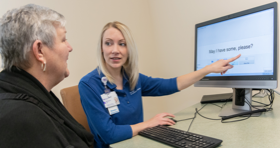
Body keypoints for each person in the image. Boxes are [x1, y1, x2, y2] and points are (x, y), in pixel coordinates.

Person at [78, 21, 240, 148]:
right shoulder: (88, 85)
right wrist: (149, 124)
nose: (115, 50)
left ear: (129, 49)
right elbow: (109, 135)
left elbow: (169, 85)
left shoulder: (132, 78)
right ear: (101, 48)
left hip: (136, 142)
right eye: (108, 43)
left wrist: (207, 69)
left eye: (122, 43)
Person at [0, 4, 93, 148]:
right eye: (63, 39)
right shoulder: (24, 119)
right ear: (39, 51)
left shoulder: (26, 93)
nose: (70, 47)